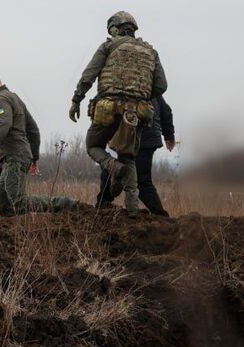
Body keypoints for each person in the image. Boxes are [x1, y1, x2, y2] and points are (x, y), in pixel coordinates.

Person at [69, 11, 167, 215]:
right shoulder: (151, 51)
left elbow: (89, 75)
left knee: (93, 145)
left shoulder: (108, 46)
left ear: (114, 28)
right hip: (138, 113)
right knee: (129, 157)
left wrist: (76, 100)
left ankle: (112, 166)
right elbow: (161, 86)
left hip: (108, 109)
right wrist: (141, 96)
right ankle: (132, 209)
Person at [0, 70, 77, 214]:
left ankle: (66, 204)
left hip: (14, 157)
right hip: (16, 157)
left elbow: (3, 125)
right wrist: (34, 157)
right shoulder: (14, 97)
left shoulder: (0, 100)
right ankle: (0, 232)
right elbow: (33, 129)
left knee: (19, 202)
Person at [96, 95, 175, 216]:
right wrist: (169, 135)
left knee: (115, 169)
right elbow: (166, 110)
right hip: (147, 137)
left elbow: (100, 105)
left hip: (126, 136)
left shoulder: (115, 82)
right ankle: (103, 206)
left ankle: (102, 206)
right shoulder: (148, 82)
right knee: (142, 180)